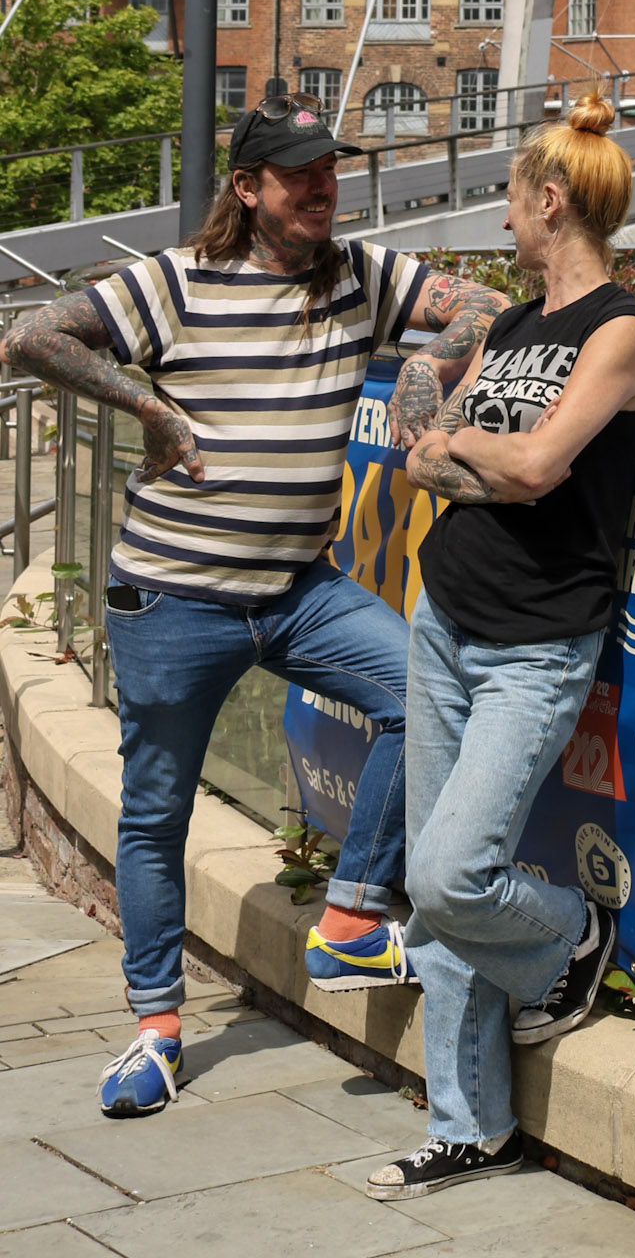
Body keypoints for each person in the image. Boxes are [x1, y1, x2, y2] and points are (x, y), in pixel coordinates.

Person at [0, 86, 511, 1118]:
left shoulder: (362, 275)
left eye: (331, 170)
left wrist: (424, 365)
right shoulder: (179, 283)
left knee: (425, 685)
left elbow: (488, 304)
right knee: (155, 812)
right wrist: (147, 404)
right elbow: (32, 334)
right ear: (249, 186)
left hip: (298, 589)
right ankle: (155, 1029)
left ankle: (355, 917)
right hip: (172, 597)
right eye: (301, 175)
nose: (325, 188)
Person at [366, 91, 635, 1202]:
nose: (501, 215)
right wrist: (469, 447)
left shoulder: (620, 329)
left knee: (453, 872)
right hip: (447, 612)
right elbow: (426, 457)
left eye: (510, 195)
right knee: (429, 879)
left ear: (550, 200)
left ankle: (568, 935)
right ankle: (469, 1122)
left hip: (538, 639)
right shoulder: (513, 326)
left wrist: (467, 445)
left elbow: (536, 468)